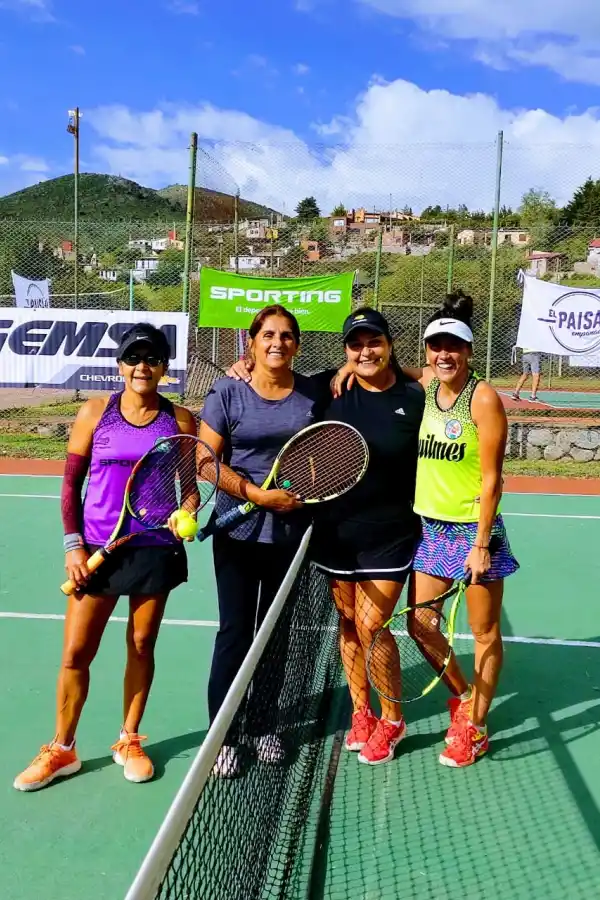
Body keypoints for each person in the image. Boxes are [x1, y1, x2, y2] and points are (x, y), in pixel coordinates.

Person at [228, 307, 426, 766]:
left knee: (372, 625)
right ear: (345, 349)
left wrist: (396, 370)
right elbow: (277, 377)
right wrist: (246, 364)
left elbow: (442, 375)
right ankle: (361, 712)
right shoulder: (326, 389)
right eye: (355, 345)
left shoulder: (414, 396)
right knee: (347, 625)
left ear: (390, 344)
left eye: (374, 342)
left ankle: (392, 717)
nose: (365, 351)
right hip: (335, 532)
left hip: (390, 534)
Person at [13, 324, 198, 792]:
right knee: (76, 652)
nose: (142, 366)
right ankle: (62, 747)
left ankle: (129, 739)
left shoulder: (179, 420)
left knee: (140, 645)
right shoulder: (95, 413)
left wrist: (186, 512)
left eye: (152, 358)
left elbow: (189, 489)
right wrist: (73, 544)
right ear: (120, 365)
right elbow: (70, 486)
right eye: (133, 357)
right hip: (97, 548)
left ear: (163, 367)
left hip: (154, 547)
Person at [199, 305, 323, 777]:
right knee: (234, 633)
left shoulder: (312, 393)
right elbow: (206, 463)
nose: (277, 342)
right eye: (268, 335)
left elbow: (374, 371)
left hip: (290, 534)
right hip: (236, 530)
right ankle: (223, 735)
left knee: (276, 636)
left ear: (297, 343)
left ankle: (263, 724)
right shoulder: (227, 392)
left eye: (287, 335)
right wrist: (254, 494)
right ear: (250, 343)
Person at [405, 291, 519, 767]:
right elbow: (396, 370)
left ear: (469, 352)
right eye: (436, 346)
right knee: (420, 625)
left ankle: (474, 726)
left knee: (485, 632)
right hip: (431, 529)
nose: (444, 354)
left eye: (454, 347)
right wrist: (348, 370)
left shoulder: (484, 397)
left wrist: (480, 544)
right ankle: (466, 696)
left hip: (474, 531)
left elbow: (493, 478)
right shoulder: (430, 383)